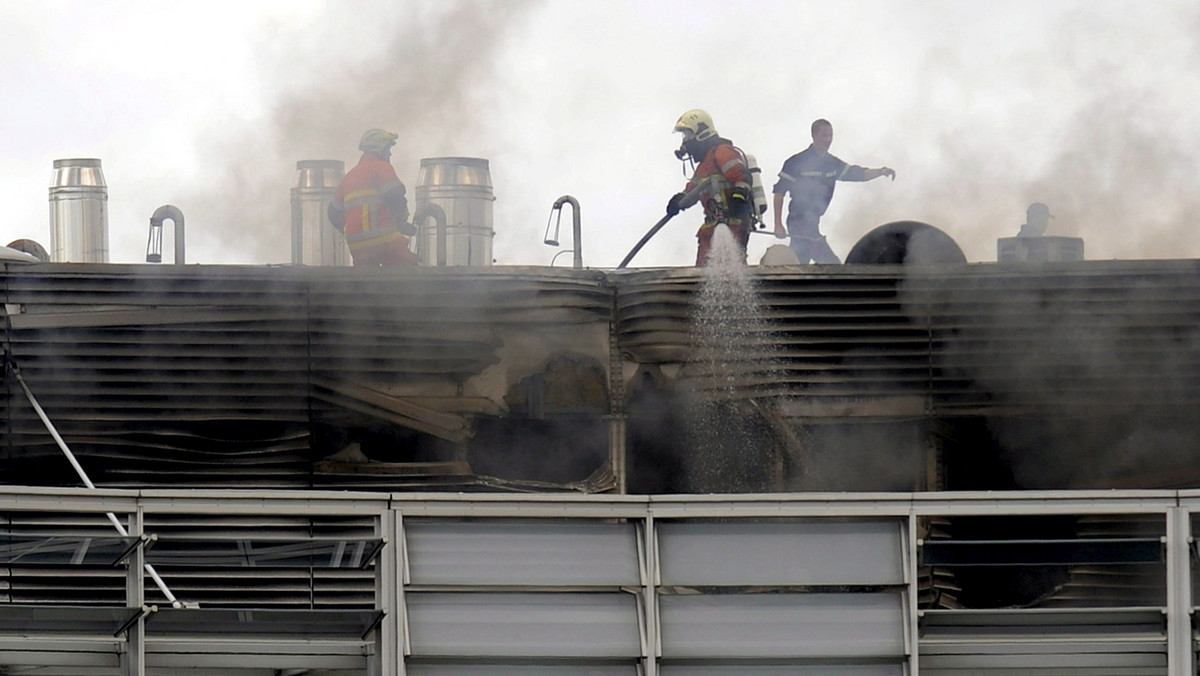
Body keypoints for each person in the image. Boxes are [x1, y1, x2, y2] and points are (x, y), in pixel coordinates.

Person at [772, 118, 895, 264]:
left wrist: (880, 171)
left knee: (799, 264)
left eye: (830, 136)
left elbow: (857, 173)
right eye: (824, 135)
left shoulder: (832, 163)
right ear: (814, 135)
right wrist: (778, 224)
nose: (828, 140)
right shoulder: (795, 162)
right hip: (799, 221)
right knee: (831, 264)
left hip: (813, 221)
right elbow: (779, 192)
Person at [665, 109, 754, 266]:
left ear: (702, 132)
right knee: (704, 272)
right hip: (712, 226)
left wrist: (738, 199)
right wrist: (679, 201)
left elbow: (743, 178)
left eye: (688, 135)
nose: (686, 142)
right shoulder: (704, 166)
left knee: (729, 268)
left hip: (732, 222)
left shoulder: (723, 152)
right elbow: (692, 190)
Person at [328, 128, 419, 266]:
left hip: (358, 247)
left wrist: (350, 229)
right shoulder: (382, 168)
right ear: (380, 148)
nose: (390, 153)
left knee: (368, 284)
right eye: (388, 148)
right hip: (386, 242)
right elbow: (396, 197)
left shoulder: (349, 176)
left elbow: (333, 212)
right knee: (410, 272)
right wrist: (402, 223)